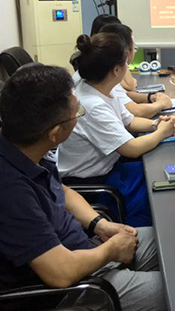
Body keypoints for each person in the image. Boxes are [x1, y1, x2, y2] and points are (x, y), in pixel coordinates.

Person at [0, 64, 166, 311]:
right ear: (55, 133)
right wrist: (111, 250)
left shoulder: (26, 146)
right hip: (71, 291)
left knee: (174, 239)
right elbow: (61, 273)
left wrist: (99, 224)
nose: (78, 115)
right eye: (76, 113)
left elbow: (62, 191)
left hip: (87, 251)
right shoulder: (11, 192)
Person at [58, 33, 175, 227]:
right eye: (125, 63)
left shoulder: (104, 90)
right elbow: (131, 148)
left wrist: (157, 124)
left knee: (159, 172)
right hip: (94, 182)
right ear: (116, 70)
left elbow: (129, 122)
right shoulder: (91, 104)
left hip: (111, 168)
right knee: (156, 182)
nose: (128, 67)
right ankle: (143, 233)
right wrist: (162, 133)